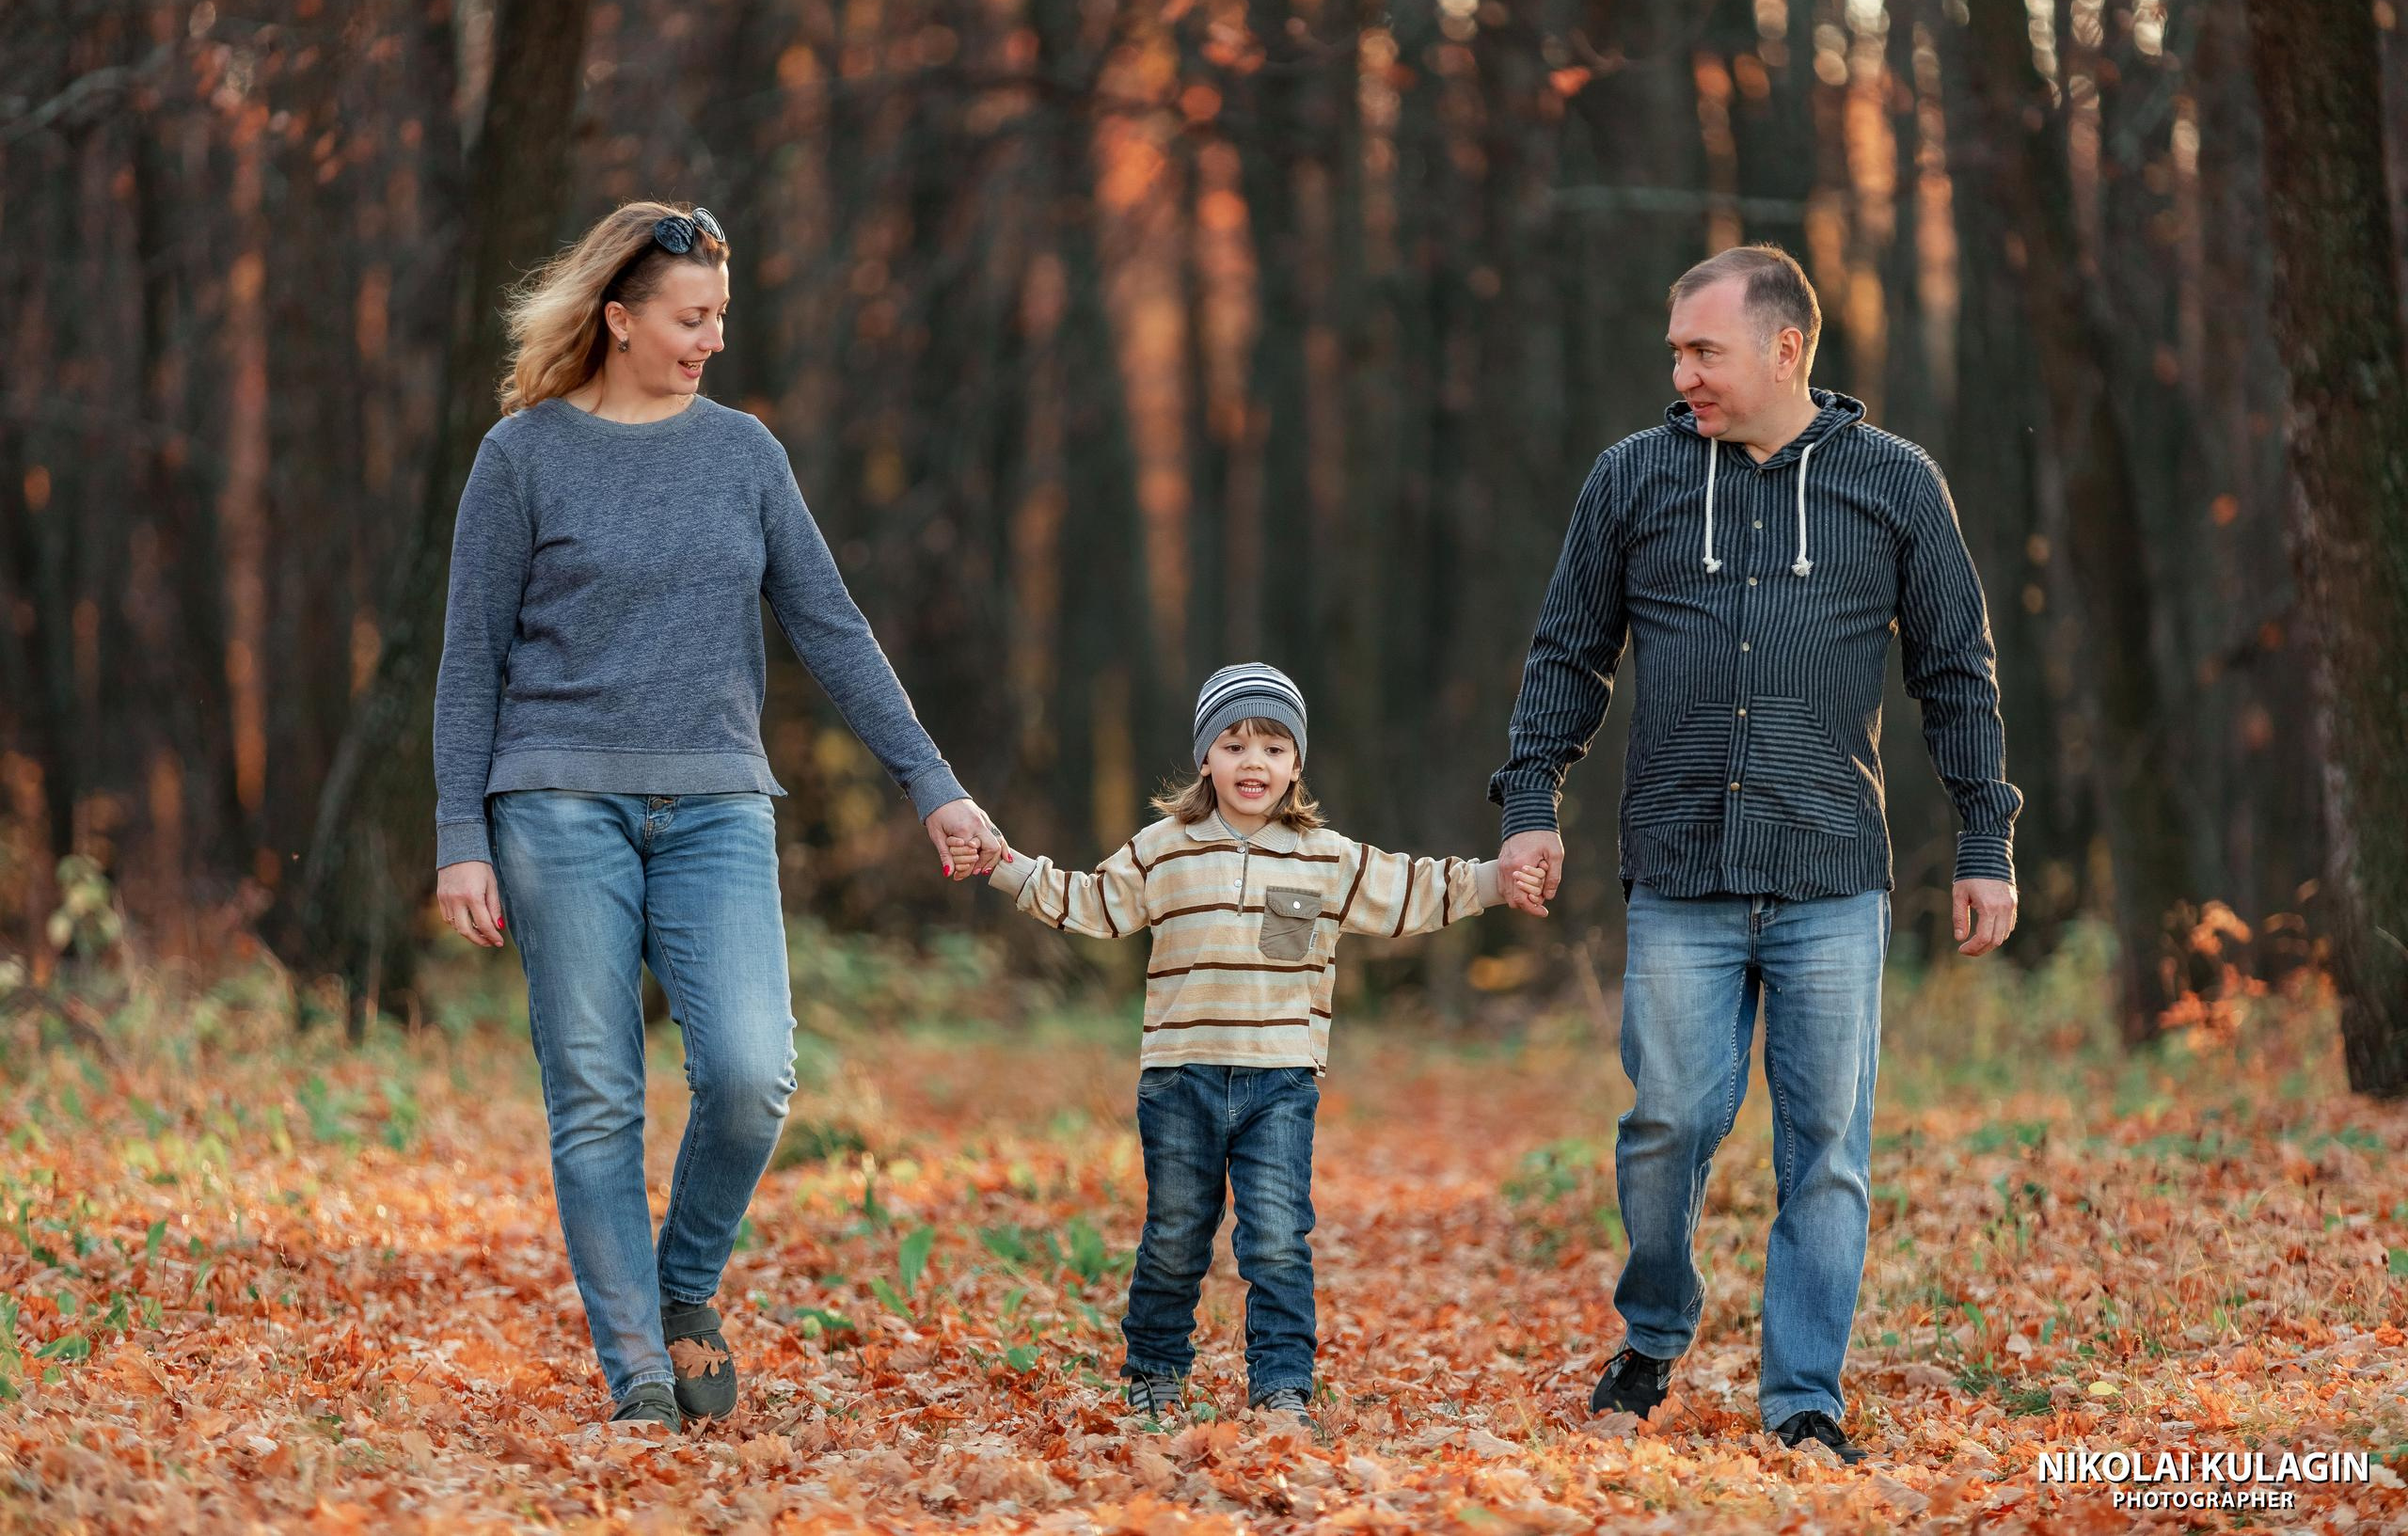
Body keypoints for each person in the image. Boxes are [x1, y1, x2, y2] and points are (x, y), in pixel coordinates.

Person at [430, 200, 1002, 1430]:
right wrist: (459, 839)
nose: (712, 341)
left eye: (721, 318)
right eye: (692, 319)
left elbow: (832, 626)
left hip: (718, 803)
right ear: (619, 318)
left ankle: (682, 1279)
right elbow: (469, 660)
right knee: (597, 1091)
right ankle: (638, 1366)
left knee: (750, 1072)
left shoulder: (744, 455)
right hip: (556, 799)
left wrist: (933, 781)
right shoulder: (521, 456)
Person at [1489, 245, 2022, 1465]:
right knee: (1667, 1125)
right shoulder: (1633, 478)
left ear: (1786, 349)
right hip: (1679, 869)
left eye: (1704, 351)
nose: (1681, 373)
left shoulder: (1895, 483)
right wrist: (1530, 803)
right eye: (1675, 351)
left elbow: (1956, 671)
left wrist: (1984, 837)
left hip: (1831, 871)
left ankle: (1802, 1399)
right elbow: (1568, 652)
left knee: (1825, 1153)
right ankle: (1654, 1329)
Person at [969, 664, 1542, 1422]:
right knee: (1177, 1234)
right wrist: (1003, 864)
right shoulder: (1165, 848)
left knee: (1276, 1238)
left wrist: (1499, 879)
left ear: (1296, 764)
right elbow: (1091, 902)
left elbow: (1410, 891)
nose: (1254, 763)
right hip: (1180, 1078)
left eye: (1273, 748)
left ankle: (1281, 1383)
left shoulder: (1322, 855)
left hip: (1280, 1081)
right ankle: (1155, 1368)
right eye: (1234, 745)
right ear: (1205, 757)